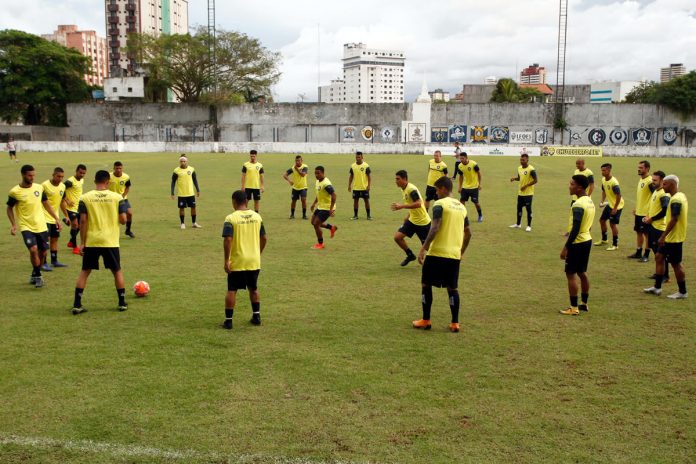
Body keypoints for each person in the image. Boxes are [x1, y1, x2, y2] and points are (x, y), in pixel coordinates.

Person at [413, 177, 471, 333]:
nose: (436, 193)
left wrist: (423, 248)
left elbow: (435, 227)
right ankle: (455, 323)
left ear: (444, 189)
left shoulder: (439, 204)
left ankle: (426, 320)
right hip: (453, 255)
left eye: (438, 190)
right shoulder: (461, 207)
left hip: (437, 253)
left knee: (426, 284)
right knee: (452, 288)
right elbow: (468, 233)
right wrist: (461, 252)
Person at [71, 170, 128, 314]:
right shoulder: (117, 197)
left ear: (95, 181)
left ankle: (77, 304)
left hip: (92, 240)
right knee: (116, 271)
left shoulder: (85, 198)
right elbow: (123, 219)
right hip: (110, 241)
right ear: (108, 182)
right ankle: (121, 303)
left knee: (85, 271)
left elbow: (82, 221)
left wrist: (82, 242)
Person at [6, 165, 62, 288]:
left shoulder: (39, 188)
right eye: (29, 175)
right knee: (33, 249)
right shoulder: (15, 191)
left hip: (41, 226)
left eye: (33, 175)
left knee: (43, 252)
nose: (32, 178)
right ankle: (38, 277)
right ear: (23, 175)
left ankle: (35, 273)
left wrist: (56, 218)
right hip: (26, 226)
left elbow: (46, 204)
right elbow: (9, 208)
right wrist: (13, 224)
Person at [221, 190, 267, 329]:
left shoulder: (230, 218)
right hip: (253, 260)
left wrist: (226, 260)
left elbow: (228, 239)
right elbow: (264, 238)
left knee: (232, 290)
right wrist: (257, 253)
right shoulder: (257, 217)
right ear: (247, 201)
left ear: (234, 201)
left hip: (238, 260)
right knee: (253, 288)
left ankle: (229, 321)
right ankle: (256, 316)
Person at [644, 175, 688, 299]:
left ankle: (683, 292)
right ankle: (657, 287)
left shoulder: (676, 200)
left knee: (676, 264)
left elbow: (674, 219)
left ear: (672, 184)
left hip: (674, 238)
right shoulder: (679, 196)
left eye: (665, 184)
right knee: (659, 257)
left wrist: (663, 236)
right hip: (670, 237)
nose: (663, 187)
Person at [559, 175, 595, 315]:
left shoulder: (578, 204)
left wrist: (566, 247)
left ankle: (573, 308)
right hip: (587, 240)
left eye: (572, 184)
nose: (569, 186)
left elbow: (575, 228)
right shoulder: (589, 201)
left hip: (577, 242)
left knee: (571, 274)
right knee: (582, 272)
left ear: (579, 187)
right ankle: (584, 303)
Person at [391, 170, 432, 266]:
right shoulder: (403, 189)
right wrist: (408, 216)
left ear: (404, 179)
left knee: (427, 248)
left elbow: (418, 203)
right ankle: (410, 255)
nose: (396, 181)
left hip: (423, 223)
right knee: (397, 237)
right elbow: (411, 204)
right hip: (412, 220)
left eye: (398, 179)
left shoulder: (411, 189)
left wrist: (401, 206)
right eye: (395, 179)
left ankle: (439, 262)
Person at [642, 171, 671, 286]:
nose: (652, 182)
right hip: (653, 226)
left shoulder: (663, 194)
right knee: (656, 252)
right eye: (652, 179)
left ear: (662, 181)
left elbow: (664, 211)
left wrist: (652, 219)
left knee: (661, 253)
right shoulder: (656, 191)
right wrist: (648, 217)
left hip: (659, 228)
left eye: (655, 180)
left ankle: (666, 276)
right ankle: (659, 273)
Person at [41, 167, 69, 271]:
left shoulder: (63, 186)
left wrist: (66, 216)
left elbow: (62, 201)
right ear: (53, 175)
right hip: (44, 217)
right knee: (45, 241)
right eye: (58, 176)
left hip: (54, 218)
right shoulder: (44, 186)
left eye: (62, 177)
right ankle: (43, 263)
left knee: (54, 239)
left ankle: (54, 261)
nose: (60, 178)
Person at [594, 163, 624, 251]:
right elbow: (604, 191)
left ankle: (615, 244)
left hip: (617, 205)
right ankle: (604, 239)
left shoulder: (614, 183)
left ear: (609, 170)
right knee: (602, 220)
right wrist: (602, 201)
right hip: (610, 204)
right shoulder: (603, 179)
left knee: (612, 224)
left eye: (604, 170)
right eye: (601, 170)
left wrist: (615, 208)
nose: (602, 172)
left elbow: (619, 196)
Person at [629, 160, 653, 261]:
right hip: (639, 211)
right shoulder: (641, 180)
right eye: (638, 167)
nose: (639, 169)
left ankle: (646, 255)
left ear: (647, 169)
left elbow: (654, 197)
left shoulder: (650, 181)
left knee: (647, 234)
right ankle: (638, 252)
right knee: (638, 232)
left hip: (646, 213)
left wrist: (650, 213)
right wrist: (637, 208)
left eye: (641, 168)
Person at [309, 166, 337, 250]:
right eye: (315, 173)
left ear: (323, 173)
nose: (316, 175)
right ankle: (331, 227)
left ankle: (320, 244)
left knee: (316, 224)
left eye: (318, 173)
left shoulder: (326, 184)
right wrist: (314, 204)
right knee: (313, 222)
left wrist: (331, 209)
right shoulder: (318, 181)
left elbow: (334, 195)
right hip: (321, 206)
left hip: (327, 208)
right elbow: (319, 194)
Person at [170, 155, 201, 229]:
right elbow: (173, 182)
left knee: (193, 207)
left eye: (184, 161)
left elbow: (195, 180)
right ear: (179, 162)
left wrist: (198, 190)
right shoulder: (176, 171)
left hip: (191, 193)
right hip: (181, 194)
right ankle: (182, 223)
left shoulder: (191, 169)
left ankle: (194, 223)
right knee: (181, 208)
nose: (183, 163)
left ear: (187, 162)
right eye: (181, 161)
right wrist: (172, 192)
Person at [509, 153, 537, 231]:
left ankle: (529, 226)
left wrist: (526, 186)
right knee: (519, 209)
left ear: (527, 160)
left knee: (528, 209)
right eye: (521, 160)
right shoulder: (519, 168)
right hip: (520, 193)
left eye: (523, 160)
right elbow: (519, 177)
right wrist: (514, 178)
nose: (521, 161)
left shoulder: (531, 169)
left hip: (528, 193)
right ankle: (518, 224)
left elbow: (536, 180)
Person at [63, 164, 87, 254]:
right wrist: (66, 199)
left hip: (78, 207)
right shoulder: (70, 181)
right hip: (70, 208)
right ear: (76, 171)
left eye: (83, 173)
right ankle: (74, 246)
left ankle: (71, 241)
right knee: (75, 225)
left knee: (81, 226)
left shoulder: (81, 180)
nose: (81, 175)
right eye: (80, 173)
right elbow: (61, 189)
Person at [108, 161, 135, 238]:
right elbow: (105, 185)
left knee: (129, 213)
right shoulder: (109, 176)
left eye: (120, 168)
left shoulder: (126, 177)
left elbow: (127, 187)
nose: (119, 170)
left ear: (122, 168)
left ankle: (128, 230)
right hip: (112, 199)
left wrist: (123, 195)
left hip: (123, 199)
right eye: (117, 168)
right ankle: (111, 232)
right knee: (113, 217)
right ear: (114, 168)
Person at [457, 152, 483, 222]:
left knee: (476, 202)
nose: (461, 160)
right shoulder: (460, 166)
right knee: (462, 201)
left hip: (474, 187)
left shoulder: (473, 164)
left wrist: (480, 184)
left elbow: (479, 174)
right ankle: (463, 216)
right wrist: (460, 187)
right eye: (460, 158)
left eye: (462, 158)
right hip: (465, 187)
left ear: (466, 158)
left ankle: (480, 215)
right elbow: (461, 177)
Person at [283, 155, 309, 219]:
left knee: (303, 200)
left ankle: (304, 215)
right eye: (296, 161)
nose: (297, 162)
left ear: (301, 161)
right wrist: (289, 181)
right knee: (293, 201)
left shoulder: (305, 167)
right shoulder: (292, 168)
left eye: (299, 161)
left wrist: (297, 169)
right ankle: (292, 214)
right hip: (295, 188)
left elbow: (303, 175)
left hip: (303, 187)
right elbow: (284, 175)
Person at [348, 151, 372, 220]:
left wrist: (369, 186)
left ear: (362, 157)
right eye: (356, 157)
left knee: (366, 201)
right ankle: (355, 215)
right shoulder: (353, 166)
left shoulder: (366, 166)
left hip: (364, 187)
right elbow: (351, 176)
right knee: (355, 201)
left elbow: (369, 177)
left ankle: (368, 216)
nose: (357, 158)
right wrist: (349, 185)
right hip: (356, 187)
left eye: (359, 157)